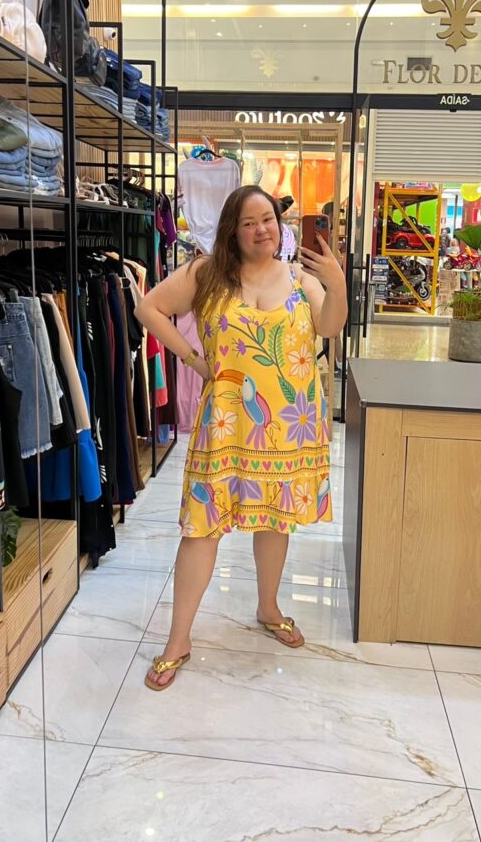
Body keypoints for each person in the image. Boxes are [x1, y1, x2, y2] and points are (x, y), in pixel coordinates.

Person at [135, 185, 348, 691]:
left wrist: (337, 282)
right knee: (201, 528)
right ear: (232, 230)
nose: (260, 230)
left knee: (275, 519)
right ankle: (178, 639)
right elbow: (149, 309)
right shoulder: (206, 273)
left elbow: (329, 326)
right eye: (249, 222)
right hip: (226, 426)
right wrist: (192, 359)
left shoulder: (299, 278)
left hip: (288, 426)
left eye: (267, 219)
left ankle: (268, 607)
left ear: (280, 224)